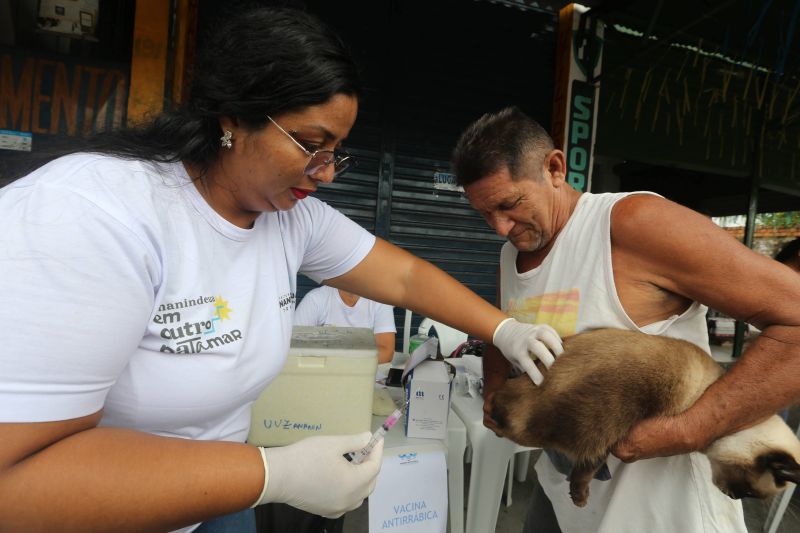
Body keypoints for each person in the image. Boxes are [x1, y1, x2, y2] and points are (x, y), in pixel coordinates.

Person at [0, 10, 562, 533]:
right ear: (233, 116)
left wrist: (504, 331)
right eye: (312, 145)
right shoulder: (92, 215)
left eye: (337, 152)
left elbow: (405, 279)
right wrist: (275, 475)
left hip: (216, 504)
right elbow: (15, 483)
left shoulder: (290, 218)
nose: (326, 174)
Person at [452, 106, 800, 533]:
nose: (500, 227)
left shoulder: (633, 224)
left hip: (661, 511)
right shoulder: (513, 253)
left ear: (555, 168)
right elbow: (503, 328)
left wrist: (690, 429)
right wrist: (493, 387)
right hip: (563, 487)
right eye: (485, 213)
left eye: (509, 204)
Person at [294, 285, 397, 363]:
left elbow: (386, 352)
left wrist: (339, 361)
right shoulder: (315, 299)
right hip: (324, 377)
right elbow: (293, 346)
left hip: (365, 378)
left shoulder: (380, 300)